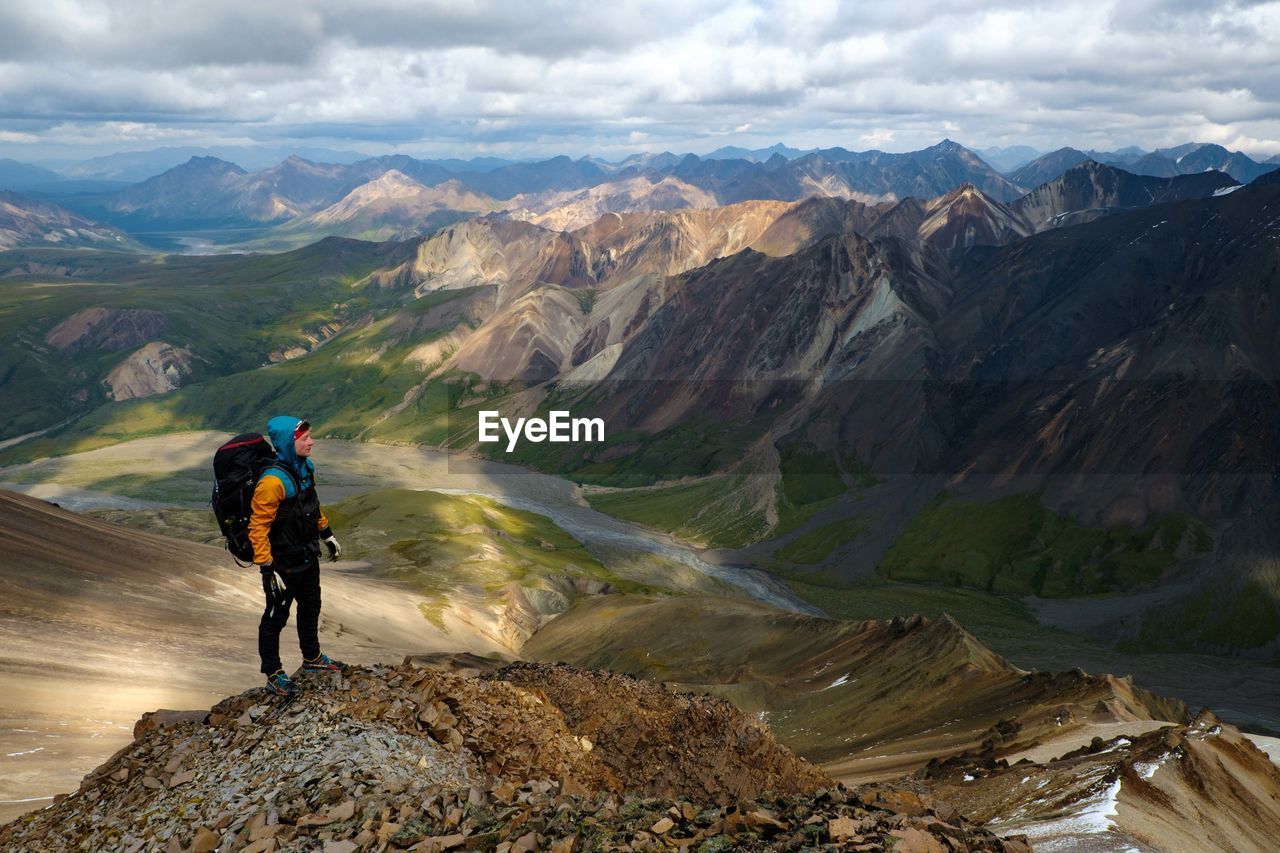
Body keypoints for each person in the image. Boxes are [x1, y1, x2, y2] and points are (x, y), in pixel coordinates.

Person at [248, 415, 346, 696]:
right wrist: (267, 569)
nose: (311, 441)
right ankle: (273, 673)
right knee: (275, 617)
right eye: (304, 438)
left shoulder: (305, 467)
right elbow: (258, 527)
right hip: (283, 564)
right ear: (289, 444)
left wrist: (326, 532)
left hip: (306, 556)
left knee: (311, 607)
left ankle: (312, 658)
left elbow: (311, 505)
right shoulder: (271, 483)